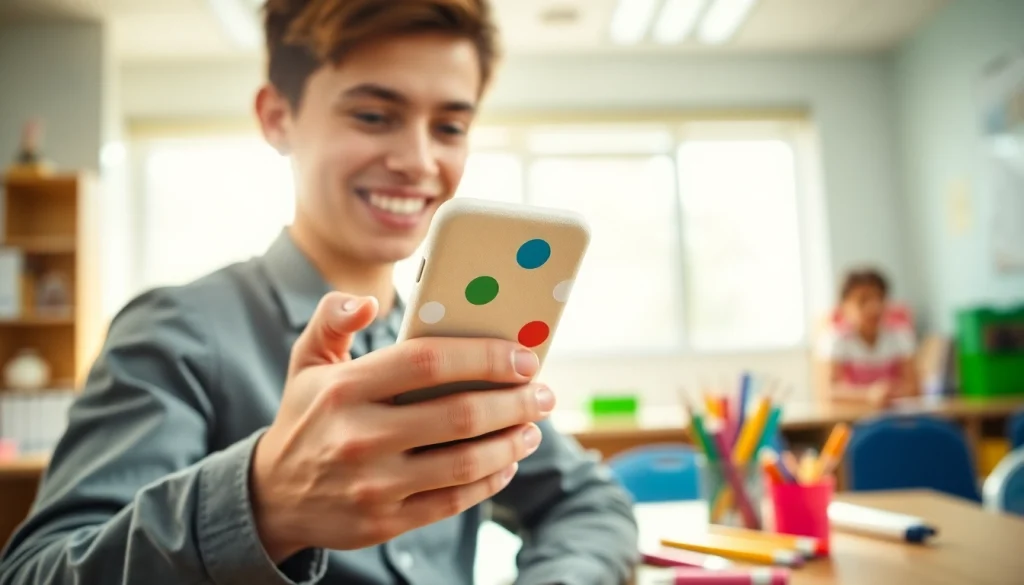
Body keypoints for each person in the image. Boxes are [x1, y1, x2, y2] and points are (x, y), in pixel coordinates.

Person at [0, 1, 639, 584]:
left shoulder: (457, 343)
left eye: (449, 127)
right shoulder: (176, 333)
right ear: (278, 118)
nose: (418, 160)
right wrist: (259, 505)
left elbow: (590, 504)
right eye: (373, 115)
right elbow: (37, 572)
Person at [815, 267, 920, 407]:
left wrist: (889, 394)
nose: (874, 307)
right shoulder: (836, 339)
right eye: (862, 300)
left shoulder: (901, 336)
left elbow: (915, 387)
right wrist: (868, 395)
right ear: (844, 306)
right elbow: (829, 391)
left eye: (879, 298)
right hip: (852, 419)